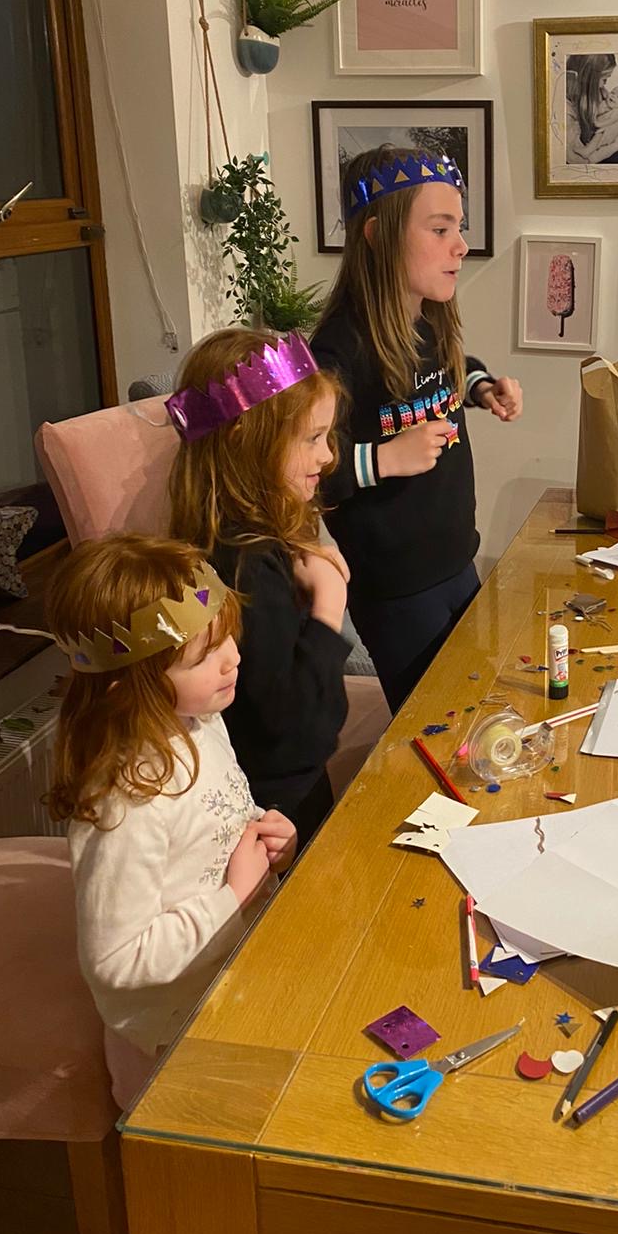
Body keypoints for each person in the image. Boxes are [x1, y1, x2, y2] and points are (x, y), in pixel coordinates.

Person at [45, 533, 297, 1107]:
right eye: (203, 654)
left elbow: (216, 813)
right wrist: (234, 895)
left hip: (231, 981)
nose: (233, 654)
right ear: (130, 684)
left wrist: (263, 834)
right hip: (170, 1038)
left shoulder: (197, 720)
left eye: (227, 634)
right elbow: (117, 960)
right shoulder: (126, 801)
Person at [310, 145, 523, 713]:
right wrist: (383, 460)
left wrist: (479, 387)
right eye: (440, 228)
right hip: (397, 590)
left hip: (458, 559)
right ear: (378, 237)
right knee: (433, 723)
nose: (462, 245)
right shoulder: (337, 349)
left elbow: (452, 368)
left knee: (472, 707)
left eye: (459, 226)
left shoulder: (425, 319)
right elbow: (306, 471)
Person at [167, 327, 351, 849]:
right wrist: (329, 602)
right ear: (249, 445)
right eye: (312, 438)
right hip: (274, 821)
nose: (328, 457)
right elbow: (302, 733)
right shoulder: (243, 567)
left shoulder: (240, 540)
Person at [573, 85, 618, 162]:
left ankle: (587, 151)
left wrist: (599, 124)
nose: (613, 96)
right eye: (613, 93)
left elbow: (610, 121)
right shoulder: (603, 103)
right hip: (595, 127)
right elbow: (596, 112)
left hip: (605, 128)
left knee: (600, 134)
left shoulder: (617, 112)